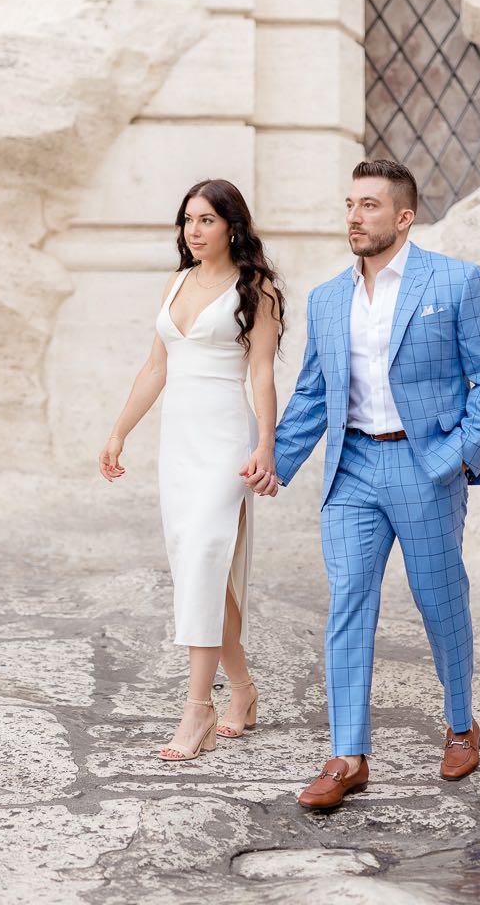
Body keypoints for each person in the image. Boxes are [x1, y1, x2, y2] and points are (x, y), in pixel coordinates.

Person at [245, 159, 480, 808]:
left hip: (424, 468)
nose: (353, 218)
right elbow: (314, 393)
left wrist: (452, 458)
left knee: (438, 601)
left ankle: (458, 726)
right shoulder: (328, 297)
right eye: (348, 205)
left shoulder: (454, 282)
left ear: (402, 217)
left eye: (367, 206)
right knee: (347, 605)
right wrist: (274, 458)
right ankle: (346, 756)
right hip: (352, 470)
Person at [99, 178, 284, 761]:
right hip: (178, 444)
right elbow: (156, 366)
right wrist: (119, 430)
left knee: (205, 558)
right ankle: (245, 692)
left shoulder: (257, 290)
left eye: (205, 220)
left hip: (227, 441)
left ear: (232, 224)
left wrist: (266, 445)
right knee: (200, 571)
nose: (193, 231)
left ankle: (197, 709)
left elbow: (261, 374)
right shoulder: (175, 282)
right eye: (187, 220)